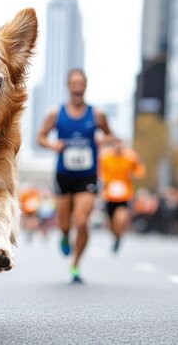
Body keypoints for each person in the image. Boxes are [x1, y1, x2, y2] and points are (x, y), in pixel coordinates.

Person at [37, 69, 113, 283]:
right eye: (74, 83)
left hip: (87, 176)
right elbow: (40, 137)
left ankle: (76, 265)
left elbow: (109, 134)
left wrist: (102, 141)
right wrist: (53, 145)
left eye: (81, 82)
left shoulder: (97, 114)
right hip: (64, 175)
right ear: (68, 86)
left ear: (85, 85)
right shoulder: (56, 113)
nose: (77, 86)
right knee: (64, 224)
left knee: (81, 221)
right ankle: (63, 235)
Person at [98, 139, 145, 253]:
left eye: (120, 145)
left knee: (121, 219)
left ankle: (119, 237)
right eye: (115, 145)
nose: (118, 147)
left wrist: (134, 175)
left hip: (124, 195)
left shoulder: (131, 157)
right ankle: (116, 236)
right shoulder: (105, 157)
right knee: (111, 223)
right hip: (109, 195)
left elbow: (140, 169)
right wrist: (103, 179)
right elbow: (99, 171)